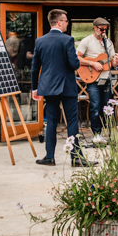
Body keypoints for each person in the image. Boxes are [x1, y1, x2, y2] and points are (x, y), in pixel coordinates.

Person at [31, 9, 89, 167]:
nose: (67, 24)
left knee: (51, 122)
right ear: (59, 22)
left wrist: (34, 89)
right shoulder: (68, 40)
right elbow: (74, 64)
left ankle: (50, 157)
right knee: (72, 121)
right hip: (67, 87)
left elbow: (35, 68)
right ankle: (76, 158)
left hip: (49, 87)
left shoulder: (40, 41)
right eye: (66, 21)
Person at [76, 17, 118, 144]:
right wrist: (92, 63)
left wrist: (117, 61)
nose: (104, 32)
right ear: (95, 28)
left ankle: (102, 133)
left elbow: (112, 63)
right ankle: (95, 134)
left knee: (105, 107)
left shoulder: (109, 43)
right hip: (92, 79)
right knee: (95, 106)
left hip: (106, 79)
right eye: (101, 29)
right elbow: (76, 58)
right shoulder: (87, 41)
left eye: (106, 29)